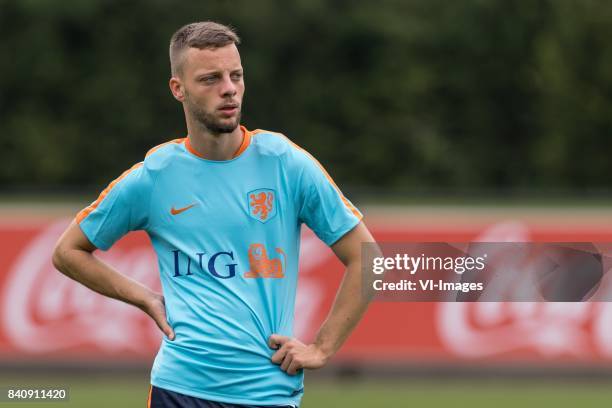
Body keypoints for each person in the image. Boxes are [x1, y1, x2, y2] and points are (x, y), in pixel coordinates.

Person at [52, 21, 377, 408]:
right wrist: (144, 298)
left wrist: (322, 348)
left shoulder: (285, 163)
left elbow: (368, 259)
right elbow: (67, 251)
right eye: (210, 79)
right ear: (179, 89)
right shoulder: (155, 176)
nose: (229, 89)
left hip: (268, 393)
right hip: (179, 390)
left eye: (235, 75)